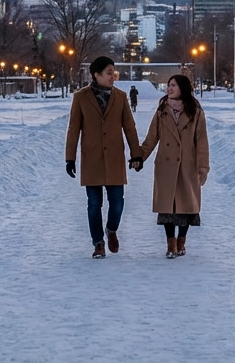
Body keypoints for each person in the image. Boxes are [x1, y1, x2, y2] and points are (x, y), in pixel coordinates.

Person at [65, 56, 141, 259]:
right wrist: (70, 158)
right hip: (92, 159)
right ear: (96, 75)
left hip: (115, 158)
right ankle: (98, 243)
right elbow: (74, 129)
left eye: (113, 72)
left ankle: (111, 230)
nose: (112, 77)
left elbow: (130, 128)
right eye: (108, 73)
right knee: (93, 204)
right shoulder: (81, 97)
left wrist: (137, 154)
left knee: (118, 203)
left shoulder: (121, 97)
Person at [137, 73, 209, 259]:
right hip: (166, 165)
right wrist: (140, 157)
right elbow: (152, 138)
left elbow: (202, 142)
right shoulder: (162, 111)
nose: (169, 88)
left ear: (182, 88)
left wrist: (203, 167)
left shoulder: (196, 112)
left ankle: (181, 241)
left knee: (185, 205)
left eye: (173, 85)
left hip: (187, 165)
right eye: (169, 85)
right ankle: (171, 243)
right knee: (167, 206)